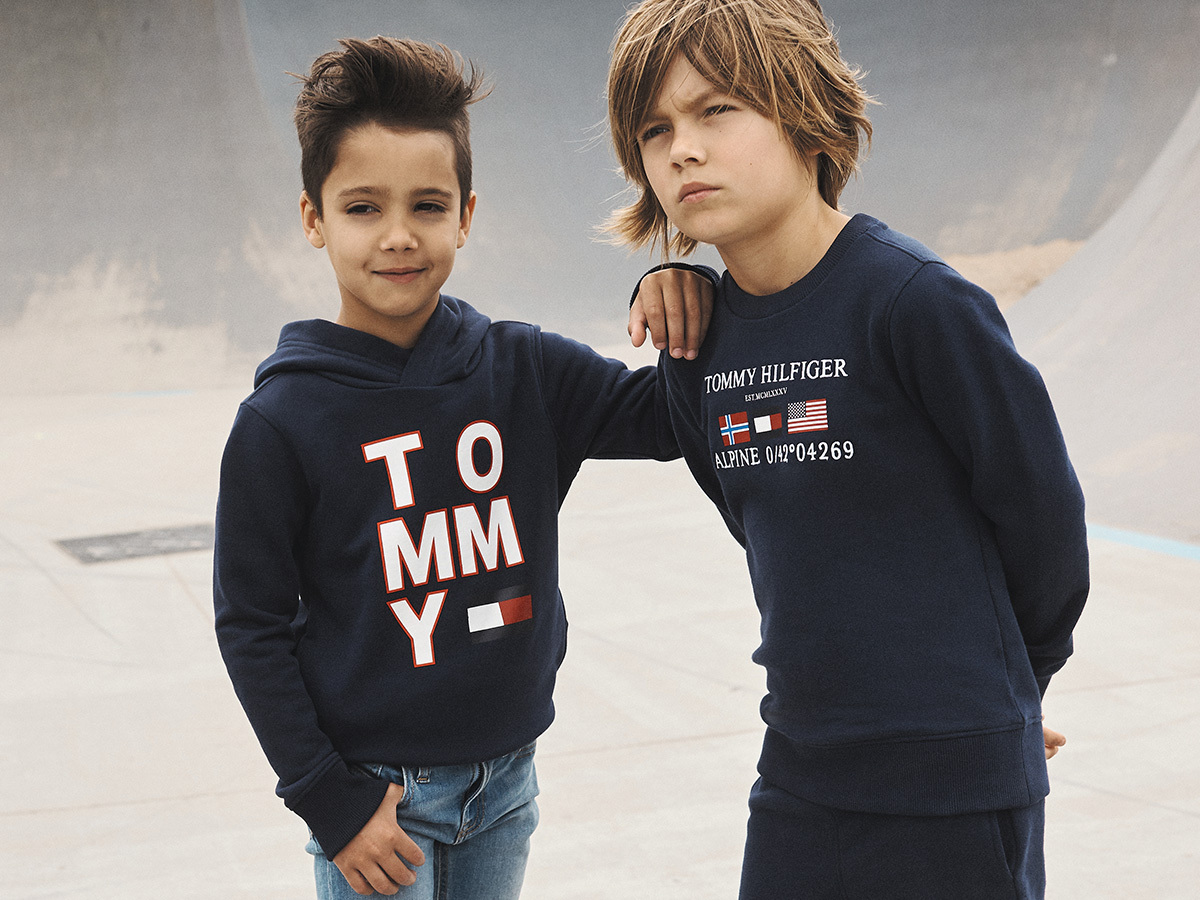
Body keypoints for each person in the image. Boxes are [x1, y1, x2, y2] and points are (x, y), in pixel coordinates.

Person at [611, 1, 1089, 897]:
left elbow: (1044, 517)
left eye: (717, 110)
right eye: (655, 129)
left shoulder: (915, 304)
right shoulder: (698, 348)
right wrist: (666, 281)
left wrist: (1012, 695)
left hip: (953, 789)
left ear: (803, 113)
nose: (682, 150)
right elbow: (766, 525)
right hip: (801, 778)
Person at [213, 36, 709, 899]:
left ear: (466, 216)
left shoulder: (525, 371)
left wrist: (689, 297)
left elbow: (674, 419)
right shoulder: (280, 423)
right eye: (362, 207)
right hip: (374, 801)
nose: (399, 236)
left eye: (428, 206)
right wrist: (329, 800)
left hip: (507, 784)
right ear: (313, 219)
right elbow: (250, 626)